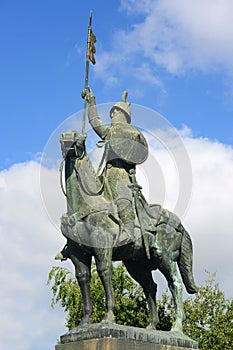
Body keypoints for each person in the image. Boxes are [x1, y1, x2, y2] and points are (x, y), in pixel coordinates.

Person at [81, 88, 148, 246]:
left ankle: (129, 232)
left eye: (115, 112)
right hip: (106, 174)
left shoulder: (133, 132)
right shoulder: (110, 131)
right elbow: (95, 121)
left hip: (122, 174)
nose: (111, 115)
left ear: (122, 114)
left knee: (122, 199)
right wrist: (92, 101)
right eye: (112, 113)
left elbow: (137, 152)